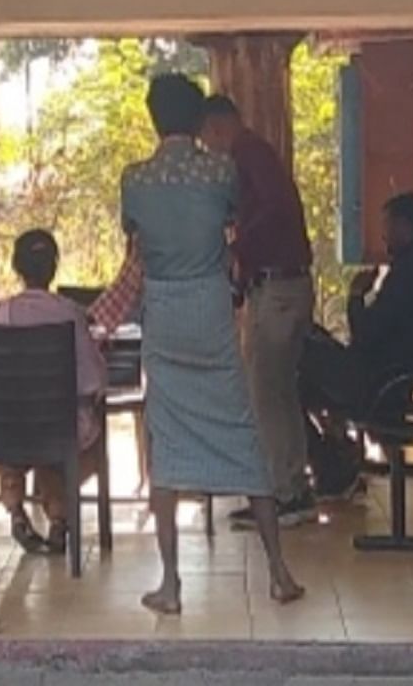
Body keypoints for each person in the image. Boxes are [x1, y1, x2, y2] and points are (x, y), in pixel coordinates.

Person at [123, 73, 302, 616]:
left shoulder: (135, 179)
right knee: (242, 431)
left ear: (153, 118)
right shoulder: (220, 171)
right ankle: (279, 572)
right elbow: (230, 222)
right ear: (198, 118)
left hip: (164, 312)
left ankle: (171, 584)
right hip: (209, 307)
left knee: (166, 441)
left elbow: (135, 239)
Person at [199, 94, 318, 529]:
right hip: (281, 285)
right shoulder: (256, 154)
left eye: (207, 139)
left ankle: (282, 492)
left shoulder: (249, 153)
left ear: (216, 127)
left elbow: (275, 208)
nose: (210, 148)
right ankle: (292, 485)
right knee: (280, 392)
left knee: (265, 393)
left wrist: (238, 247)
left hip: (278, 289)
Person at [300, 194, 413, 495]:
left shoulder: (410, 274)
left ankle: (331, 462)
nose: (383, 237)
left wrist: (355, 297)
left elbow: (367, 334)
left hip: (376, 382)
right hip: (388, 375)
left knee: (288, 364)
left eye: (387, 227)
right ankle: (334, 456)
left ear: (404, 227)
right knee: (301, 356)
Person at [0, 229, 107, 556]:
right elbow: (93, 380)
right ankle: (58, 519)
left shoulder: (0, 314)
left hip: (11, 431)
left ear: (16, 267)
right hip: (60, 430)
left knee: (15, 438)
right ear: (53, 267)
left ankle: (16, 511)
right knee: (68, 443)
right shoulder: (70, 313)